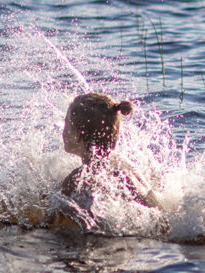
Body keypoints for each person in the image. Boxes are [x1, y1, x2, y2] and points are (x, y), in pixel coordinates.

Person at [46, 92, 159, 235]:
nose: (63, 131)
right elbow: (155, 208)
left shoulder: (77, 178)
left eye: (67, 124)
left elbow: (48, 220)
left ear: (79, 134)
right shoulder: (124, 164)